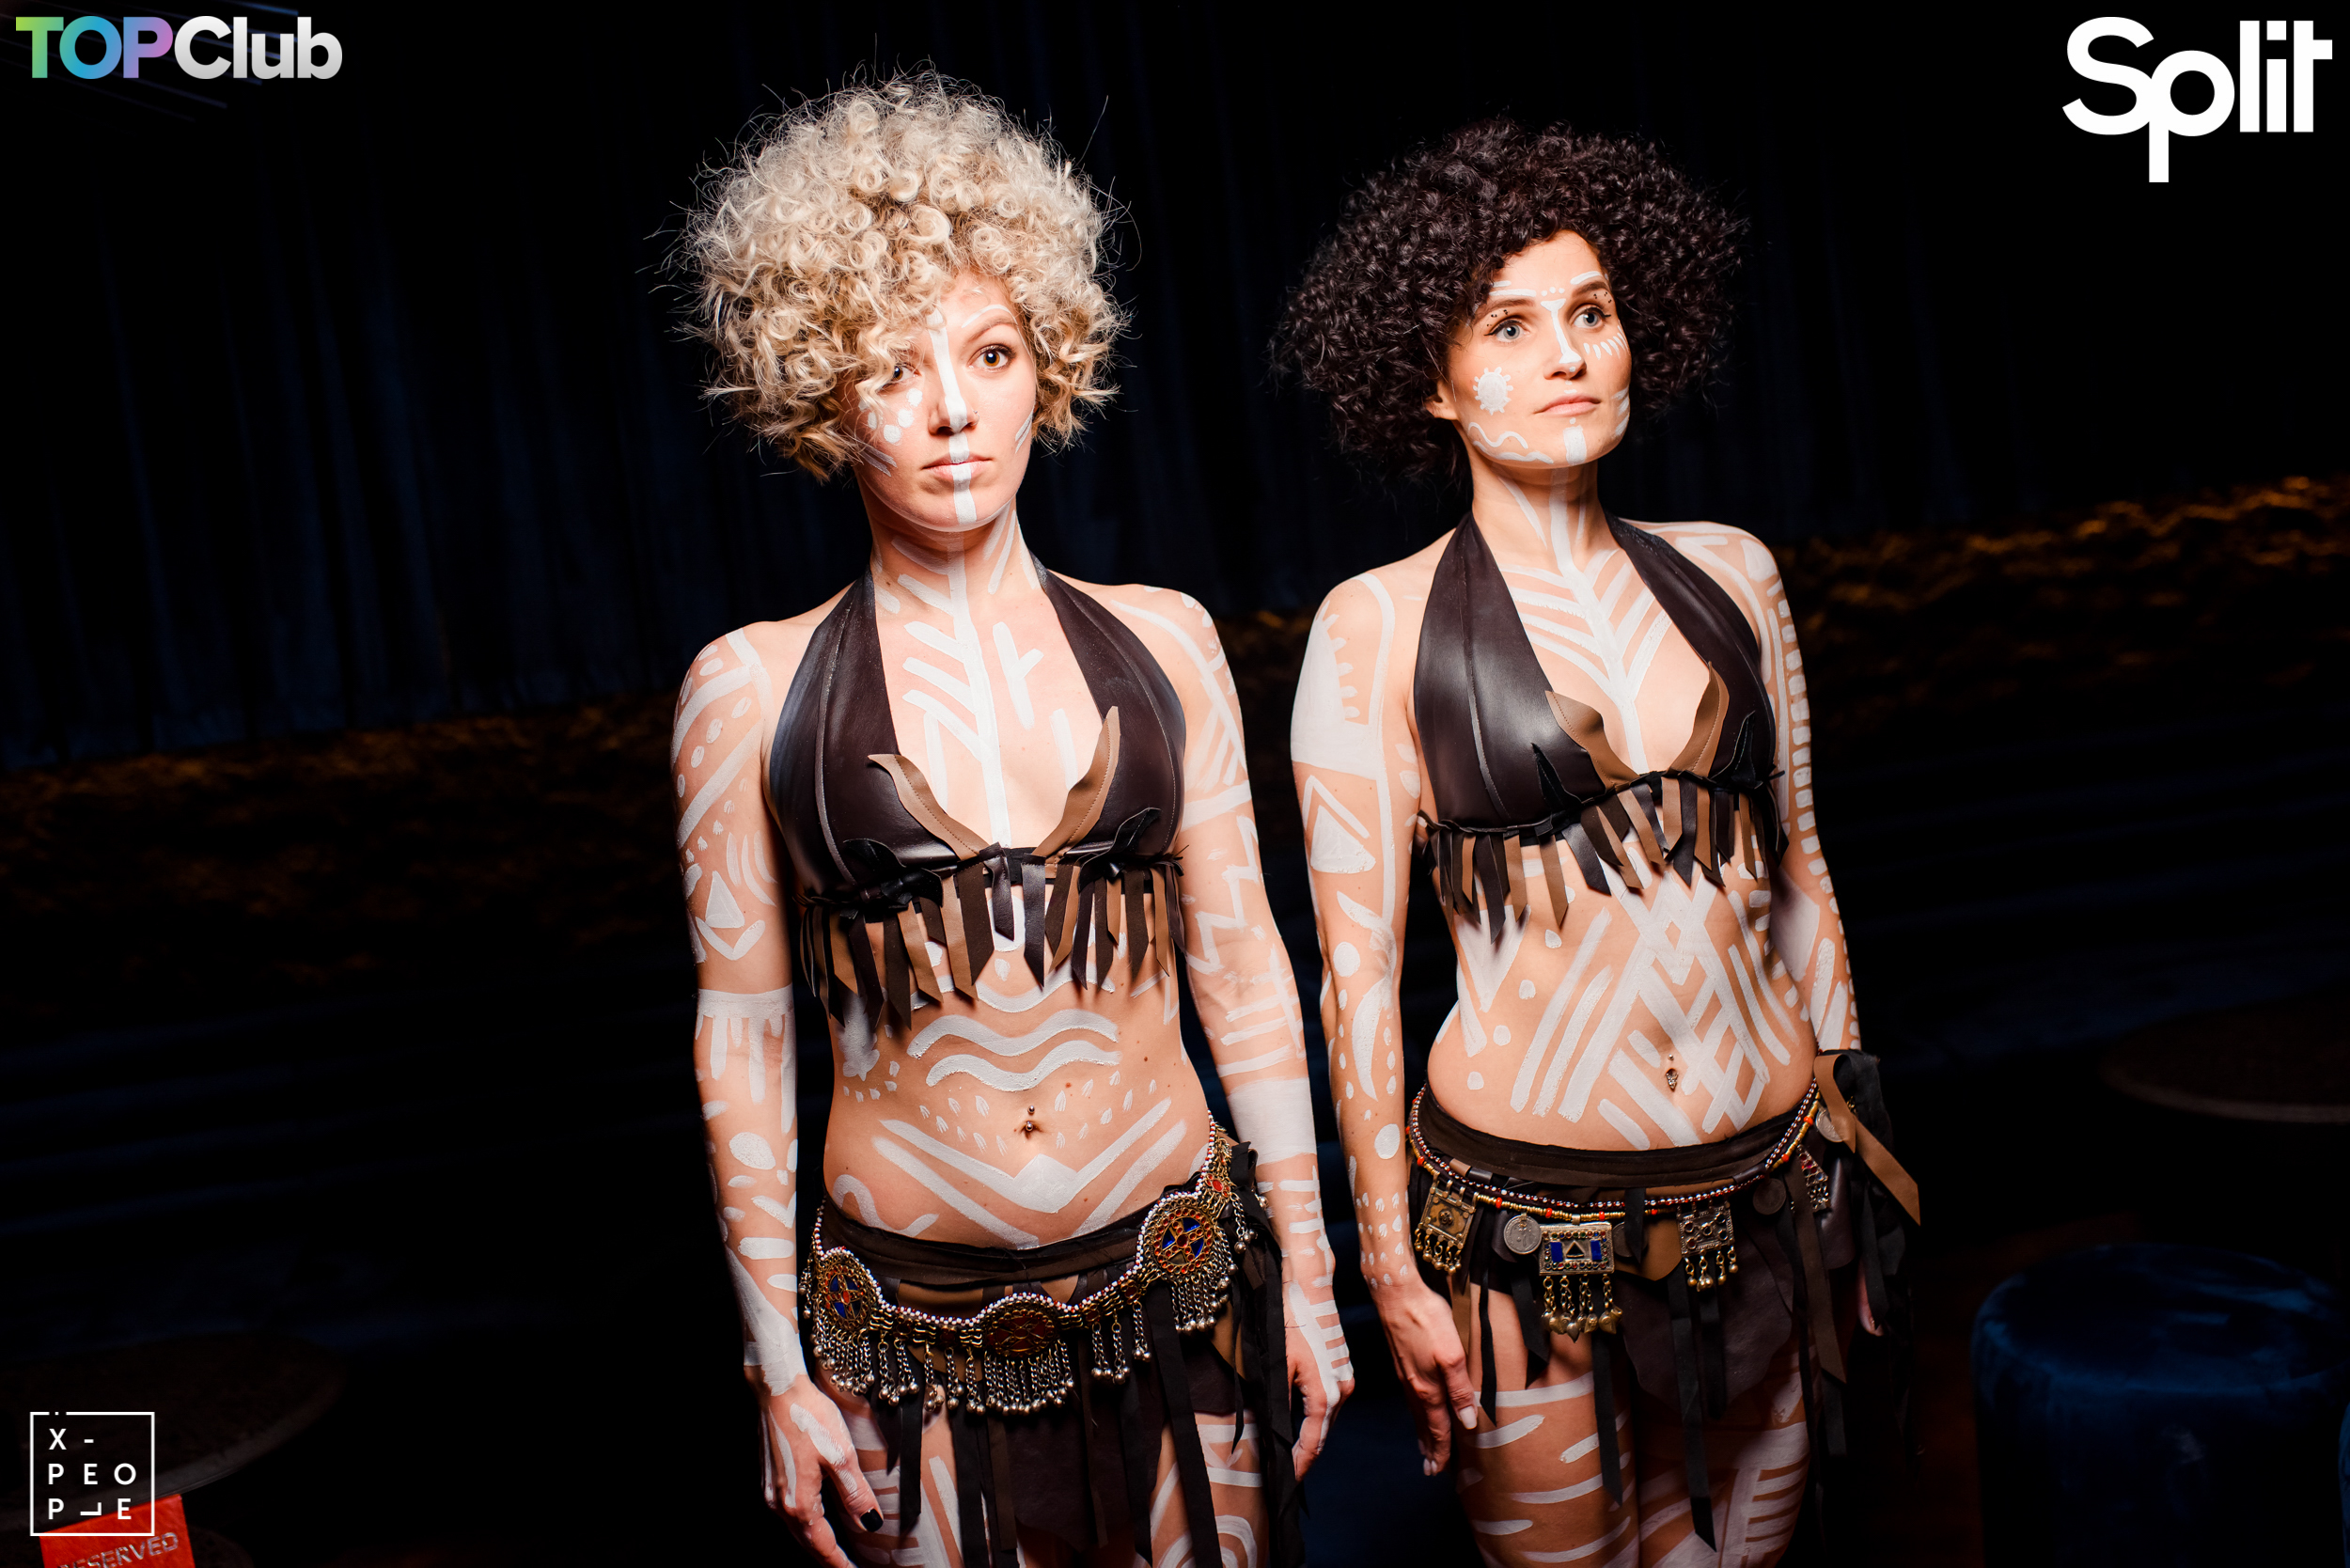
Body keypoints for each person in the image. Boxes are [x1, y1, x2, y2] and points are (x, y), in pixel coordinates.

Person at [671, 75, 1346, 1568]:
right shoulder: (748, 688)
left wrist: (1308, 1267)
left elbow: (1244, 966)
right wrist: (777, 1368)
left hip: (1184, 1288)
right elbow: (744, 1038)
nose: (952, 408)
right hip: (905, 1338)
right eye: (892, 364)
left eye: (989, 352)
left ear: (1050, 360)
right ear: (822, 388)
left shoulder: (1168, 641)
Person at [1277, 118, 1915, 1567]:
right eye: (1509, 326)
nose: (1567, 353)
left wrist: (1858, 1173)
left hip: (1772, 1196)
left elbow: (1804, 883)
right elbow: (1355, 978)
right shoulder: (1373, 627)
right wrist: (1389, 1263)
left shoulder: (1737, 574)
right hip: (1528, 1235)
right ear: (1431, 380)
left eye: (1591, 313)